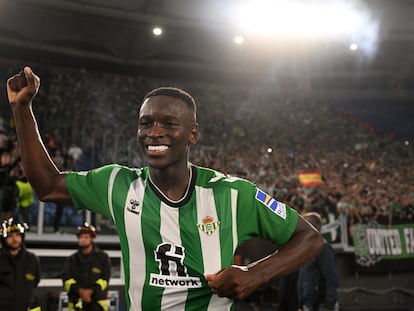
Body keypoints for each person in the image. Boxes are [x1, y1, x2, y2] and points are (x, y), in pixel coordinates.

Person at [7, 66, 324, 311]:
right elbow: (47, 186)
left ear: (192, 134)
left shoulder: (232, 193)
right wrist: (22, 109)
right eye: (146, 123)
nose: (154, 132)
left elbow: (309, 237)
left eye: (169, 124)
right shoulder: (117, 183)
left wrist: (255, 274)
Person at [62, 223, 111, 311]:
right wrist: (80, 291)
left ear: (92, 238)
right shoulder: (72, 259)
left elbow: (104, 280)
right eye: (80, 237)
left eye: (86, 237)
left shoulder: (103, 258)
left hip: (98, 304)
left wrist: (91, 291)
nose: (82, 240)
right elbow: (66, 281)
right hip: (76, 303)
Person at [297, 212, 339, 311]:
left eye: (303, 226)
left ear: (314, 228)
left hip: (322, 305)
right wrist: (301, 303)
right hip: (308, 304)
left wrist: (330, 304)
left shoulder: (323, 249)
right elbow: (303, 279)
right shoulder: (305, 249)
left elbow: (331, 277)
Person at [0, 217, 41, 311]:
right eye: (10, 236)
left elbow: (35, 282)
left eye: (17, 235)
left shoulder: (33, 259)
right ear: (3, 239)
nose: (14, 239)